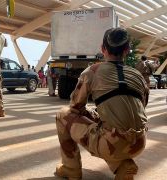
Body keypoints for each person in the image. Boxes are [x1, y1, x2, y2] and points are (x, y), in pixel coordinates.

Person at [55, 28, 149, 180]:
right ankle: (123, 166)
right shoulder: (138, 76)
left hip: (111, 143)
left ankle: (70, 168)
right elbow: (141, 107)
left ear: (102, 48)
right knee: (107, 124)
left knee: (63, 115)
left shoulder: (92, 71)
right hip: (139, 142)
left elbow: (75, 106)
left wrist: (89, 114)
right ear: (127, 50)